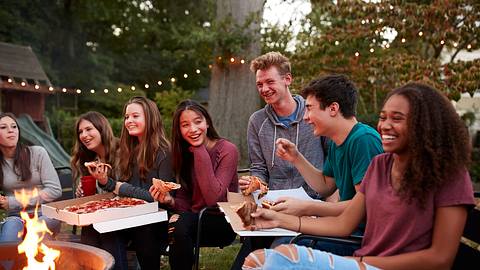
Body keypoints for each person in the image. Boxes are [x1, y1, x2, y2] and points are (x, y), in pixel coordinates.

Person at [243, 82, 475, 269]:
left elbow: (440, 259)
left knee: (281, 256)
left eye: (396, 118)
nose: (383, 125)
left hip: (365, 259)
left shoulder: (450, 175)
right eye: (383, 117)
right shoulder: (380, 165)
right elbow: (343, 222)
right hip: (361, 257)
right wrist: (279, 220)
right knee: (262, 259)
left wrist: (358, 264)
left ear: (423, 124)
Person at [232, 51, 328, 269]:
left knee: (275, 255)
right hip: (272, 205)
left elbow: (332, 164)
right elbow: (259, 168)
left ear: (287, 79)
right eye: (259, 84)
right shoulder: (257, 121)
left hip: (311, 206)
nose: (264, 89)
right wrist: (255, 182)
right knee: (247, 257)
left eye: (269, 82)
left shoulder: (313, 115)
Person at [268, 74, 383, 253]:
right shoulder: (336, 142)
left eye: (309, 109)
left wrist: (306, 207)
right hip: (343, 228)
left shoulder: (363, 140)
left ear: (333, 108)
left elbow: (365, 207)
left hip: (361, 238)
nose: (305, 117)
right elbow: (325, 186)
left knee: (286, 247)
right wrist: (296, 157)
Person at [150, 99, 238, 270]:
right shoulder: (184, 154)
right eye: (185, 125)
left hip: (222, 220)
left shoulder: (227, 149)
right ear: (179, 130)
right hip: (192, 218)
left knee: (180, 224)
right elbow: (186, 199)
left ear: (207, 122)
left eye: (198, 122)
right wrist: (170, 201)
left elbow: (214, 199)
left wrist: (199, 150)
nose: (193, 129)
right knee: (149, 226)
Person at [89, 96, 174, 270]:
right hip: (132, 215)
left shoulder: (164, 151)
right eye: (127, 117)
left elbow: (160, 198)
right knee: (97, 227)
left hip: (159, 219)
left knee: (143, 228)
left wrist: (120, 186)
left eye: (135, 116)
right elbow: (123, 191)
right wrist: (105, 181)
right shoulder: (130, 150)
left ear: (150, 118)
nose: (129, 121)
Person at [70, 111, 126, 270]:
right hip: (102, 216)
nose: (84, 135)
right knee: (89, 229)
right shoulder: (88, 161)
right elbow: (94, 199)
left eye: (89, 129)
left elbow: (128, 188)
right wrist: (81, 194)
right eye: (80, 132)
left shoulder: (123, 152)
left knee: (107, 229)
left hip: (126, 216)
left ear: (101, 128)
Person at [0, 112, 62, 242]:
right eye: (3, 127)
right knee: (6, 243)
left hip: (45, 213)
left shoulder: (38, 153)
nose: (10, 130)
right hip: (15, 217)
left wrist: (12, 202)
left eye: (14, 126)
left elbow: (54, 190)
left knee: (36, 234)